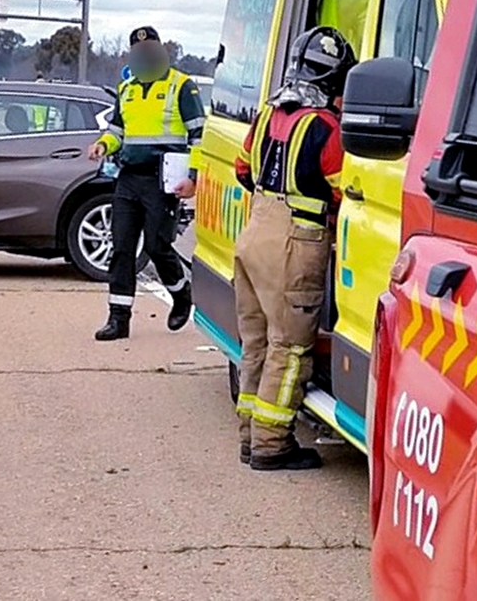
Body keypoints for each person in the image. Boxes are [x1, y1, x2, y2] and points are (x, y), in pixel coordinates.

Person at [232, 27, 356, 471]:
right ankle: (272, 444)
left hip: (254, 233)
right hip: (295, 243)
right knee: (290, 348)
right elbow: (344, 193)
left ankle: (250, 437)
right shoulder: (325, 127)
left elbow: (243, 169)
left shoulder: (267, 116)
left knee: (256, 343)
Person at [88, 26, 205, 341]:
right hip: (128, 178)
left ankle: (181, 294)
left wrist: (193, 178)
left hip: (161, 180)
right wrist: (103, 145)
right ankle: (118, 318)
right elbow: (117, 131)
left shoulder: (182, 86)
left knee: (157, 246)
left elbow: (199, 136)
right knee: (122, 247)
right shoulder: (126, 89)